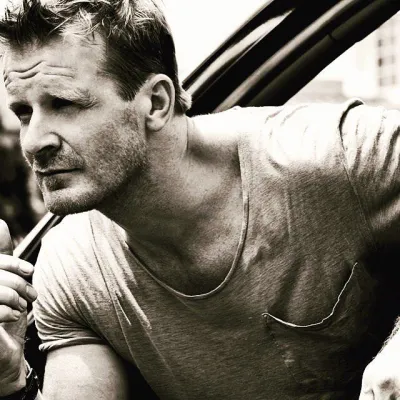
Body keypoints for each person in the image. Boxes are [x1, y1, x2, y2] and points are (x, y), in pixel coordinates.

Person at [0, 0, 399, 399]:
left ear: (156, 102)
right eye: (23, 112)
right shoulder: (74, 268)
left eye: (64, 104)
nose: (33, 142)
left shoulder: (341, 153)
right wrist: (10, 379)